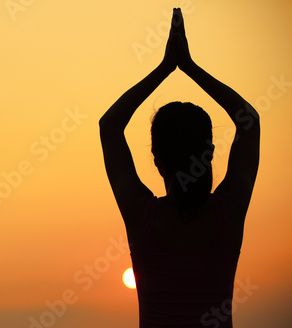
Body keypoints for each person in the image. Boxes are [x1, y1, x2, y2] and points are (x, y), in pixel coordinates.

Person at [99, 8, 260, 328]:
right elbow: (249, 122)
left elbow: (110, 126)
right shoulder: (229, 210)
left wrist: (166, 68)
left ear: (157, 159)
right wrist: (189, 67)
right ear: (210, 153)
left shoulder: (140, 215)